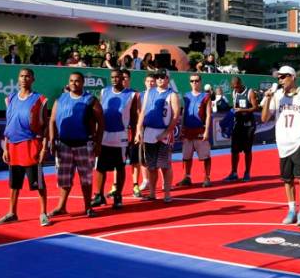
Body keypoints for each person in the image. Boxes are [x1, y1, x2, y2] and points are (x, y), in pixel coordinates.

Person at [261, 65, 300, 228]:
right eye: (278, 77)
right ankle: (291, 210)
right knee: (287, 180)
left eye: (283, 76)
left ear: (292, 77)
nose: (280, 80)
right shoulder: (276, 95)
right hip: (283, 144)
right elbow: (265, 118)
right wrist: (267, 98)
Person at [0, 68, 51, 227]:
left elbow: (45, 126)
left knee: (38, 183)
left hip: (31, 145)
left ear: (33, 79)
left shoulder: (40, 99)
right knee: (14, 184)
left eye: (27, 76)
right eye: (21, 76)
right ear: (18, 79)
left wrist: (44, 148)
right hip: (13, 146)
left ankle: (43, 214)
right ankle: (12, 213)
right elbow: (9, 123)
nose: (24, 78)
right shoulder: (10, 98)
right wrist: (5, 147)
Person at [49, 72, 104, 217]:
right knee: (64, 178)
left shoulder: (91, 100)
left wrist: (98, 144)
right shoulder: (61, 99)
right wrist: (52, 140)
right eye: (72, 80)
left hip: (84, 145)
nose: (74, 83)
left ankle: (88, 208)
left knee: (85, 178)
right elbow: (52, 120)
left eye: (77, 81)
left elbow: (101, 122)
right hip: (64, 145)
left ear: (83, 83)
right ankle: (61, 207)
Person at [91, 69, 137, 210]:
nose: (114, 79)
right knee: (100, 167)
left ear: (122, 78)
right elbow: (98, 114)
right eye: (112, 77)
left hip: (120, 137)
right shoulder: (104, 92)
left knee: (120, 166)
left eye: (117, 77)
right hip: (104, 136)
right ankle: (99, 195)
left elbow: (134, 118)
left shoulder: (132, 95)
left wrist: (135, 135)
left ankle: (118, 195)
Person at [136, 70, 180, 202]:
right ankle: (152, 193)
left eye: (163, 77)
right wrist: (139, 129)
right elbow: (143, 111)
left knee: (165, 165)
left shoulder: (172, 94)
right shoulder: (149, 92)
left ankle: (167, 194)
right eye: (158, 77)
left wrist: (167, 132)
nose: (160, 79)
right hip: (148, 132)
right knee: (151, 166)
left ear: (167, 79)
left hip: (163, 133)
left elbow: (176, 115)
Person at [178, 74, 213, 187]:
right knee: (186, 156)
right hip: (187, 131)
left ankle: (207, 177)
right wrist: (182, 128)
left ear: (200, 82)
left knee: (205, 156)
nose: (194, 83)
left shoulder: (205, 96)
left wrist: (207, 131)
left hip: (200, 130)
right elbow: (184, 114)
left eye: (196, 81)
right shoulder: (186, 96)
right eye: (192, 81)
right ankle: (186, 177)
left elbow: (208, 115)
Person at [224, 76, 259, 182]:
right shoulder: (234, 93)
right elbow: (235, 107)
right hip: (238, 124)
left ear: (240, 84)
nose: (236, 89)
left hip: (248, 125)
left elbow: (255, 107)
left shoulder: (250, 92)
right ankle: (234, 172)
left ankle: (247, 172)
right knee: (234, 150)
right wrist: (233, 112)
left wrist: (243, 110)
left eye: (237, 87)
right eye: (234, 87)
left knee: (247, 150)